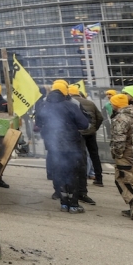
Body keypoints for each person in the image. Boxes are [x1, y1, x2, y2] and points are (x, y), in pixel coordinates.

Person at [35, 79, 89, 213]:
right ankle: (74, 204)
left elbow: (38, 124)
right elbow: (84, 124)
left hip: (53, 145)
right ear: (65, 92)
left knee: (59, 172)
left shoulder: (43, 105)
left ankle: (64, 203)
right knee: (73, 173)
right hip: (71, 144)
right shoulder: (70, 106)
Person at [109, 94, 133, 220]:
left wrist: (117, 153)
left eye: (112, 103)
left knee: (123, 179)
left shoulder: (121, 118)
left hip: (126, 154)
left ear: (116, 105)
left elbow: (119, 140)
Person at [70, 86, 104, 189]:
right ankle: (99, 179)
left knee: (80, 156)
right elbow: (100, 118)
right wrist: (94, 128)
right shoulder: (90, 103)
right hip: (91, 133)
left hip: (78, 134)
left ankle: (82, 179)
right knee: (94, 156)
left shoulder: (71, 103)